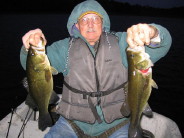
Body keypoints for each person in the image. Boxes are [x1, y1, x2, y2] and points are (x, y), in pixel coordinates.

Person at [20, 0, 172, 137]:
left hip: (117, 124)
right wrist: (29, 48)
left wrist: (152, 33)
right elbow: (31, 67)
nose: (90, 24)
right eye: (84, 19)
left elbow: (162, 46)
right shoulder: (64, 48)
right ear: (77, 25)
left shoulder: (123, 43)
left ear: (102, 22)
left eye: (95, 19)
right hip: (71, 123)